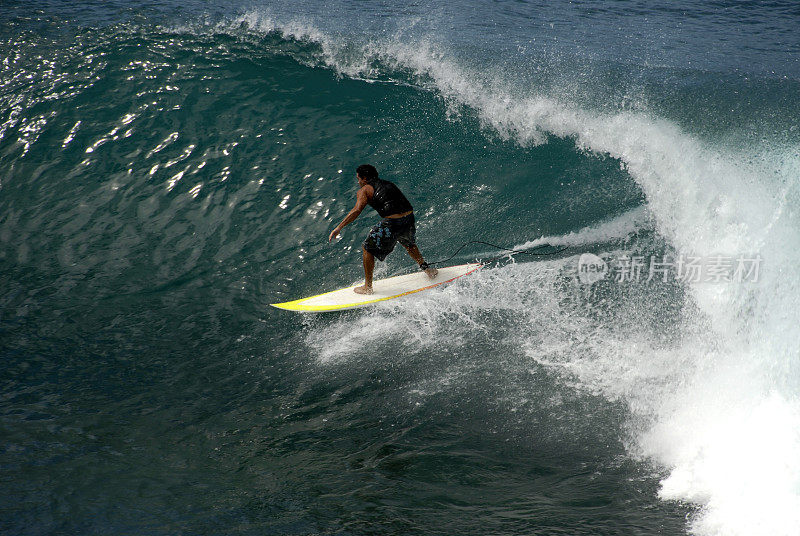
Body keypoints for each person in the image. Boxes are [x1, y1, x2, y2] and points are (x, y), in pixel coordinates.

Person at [328, 164, 438, 294]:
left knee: (367, 248)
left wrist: (339, 227)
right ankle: (427, 270)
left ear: (364, 178)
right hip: (409, 218)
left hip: (393, 222)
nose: (358, 182)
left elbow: (357, 210)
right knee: (409, 244)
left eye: (358, 179)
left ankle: (367, 287)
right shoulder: (389, 184)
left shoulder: (364, 190)